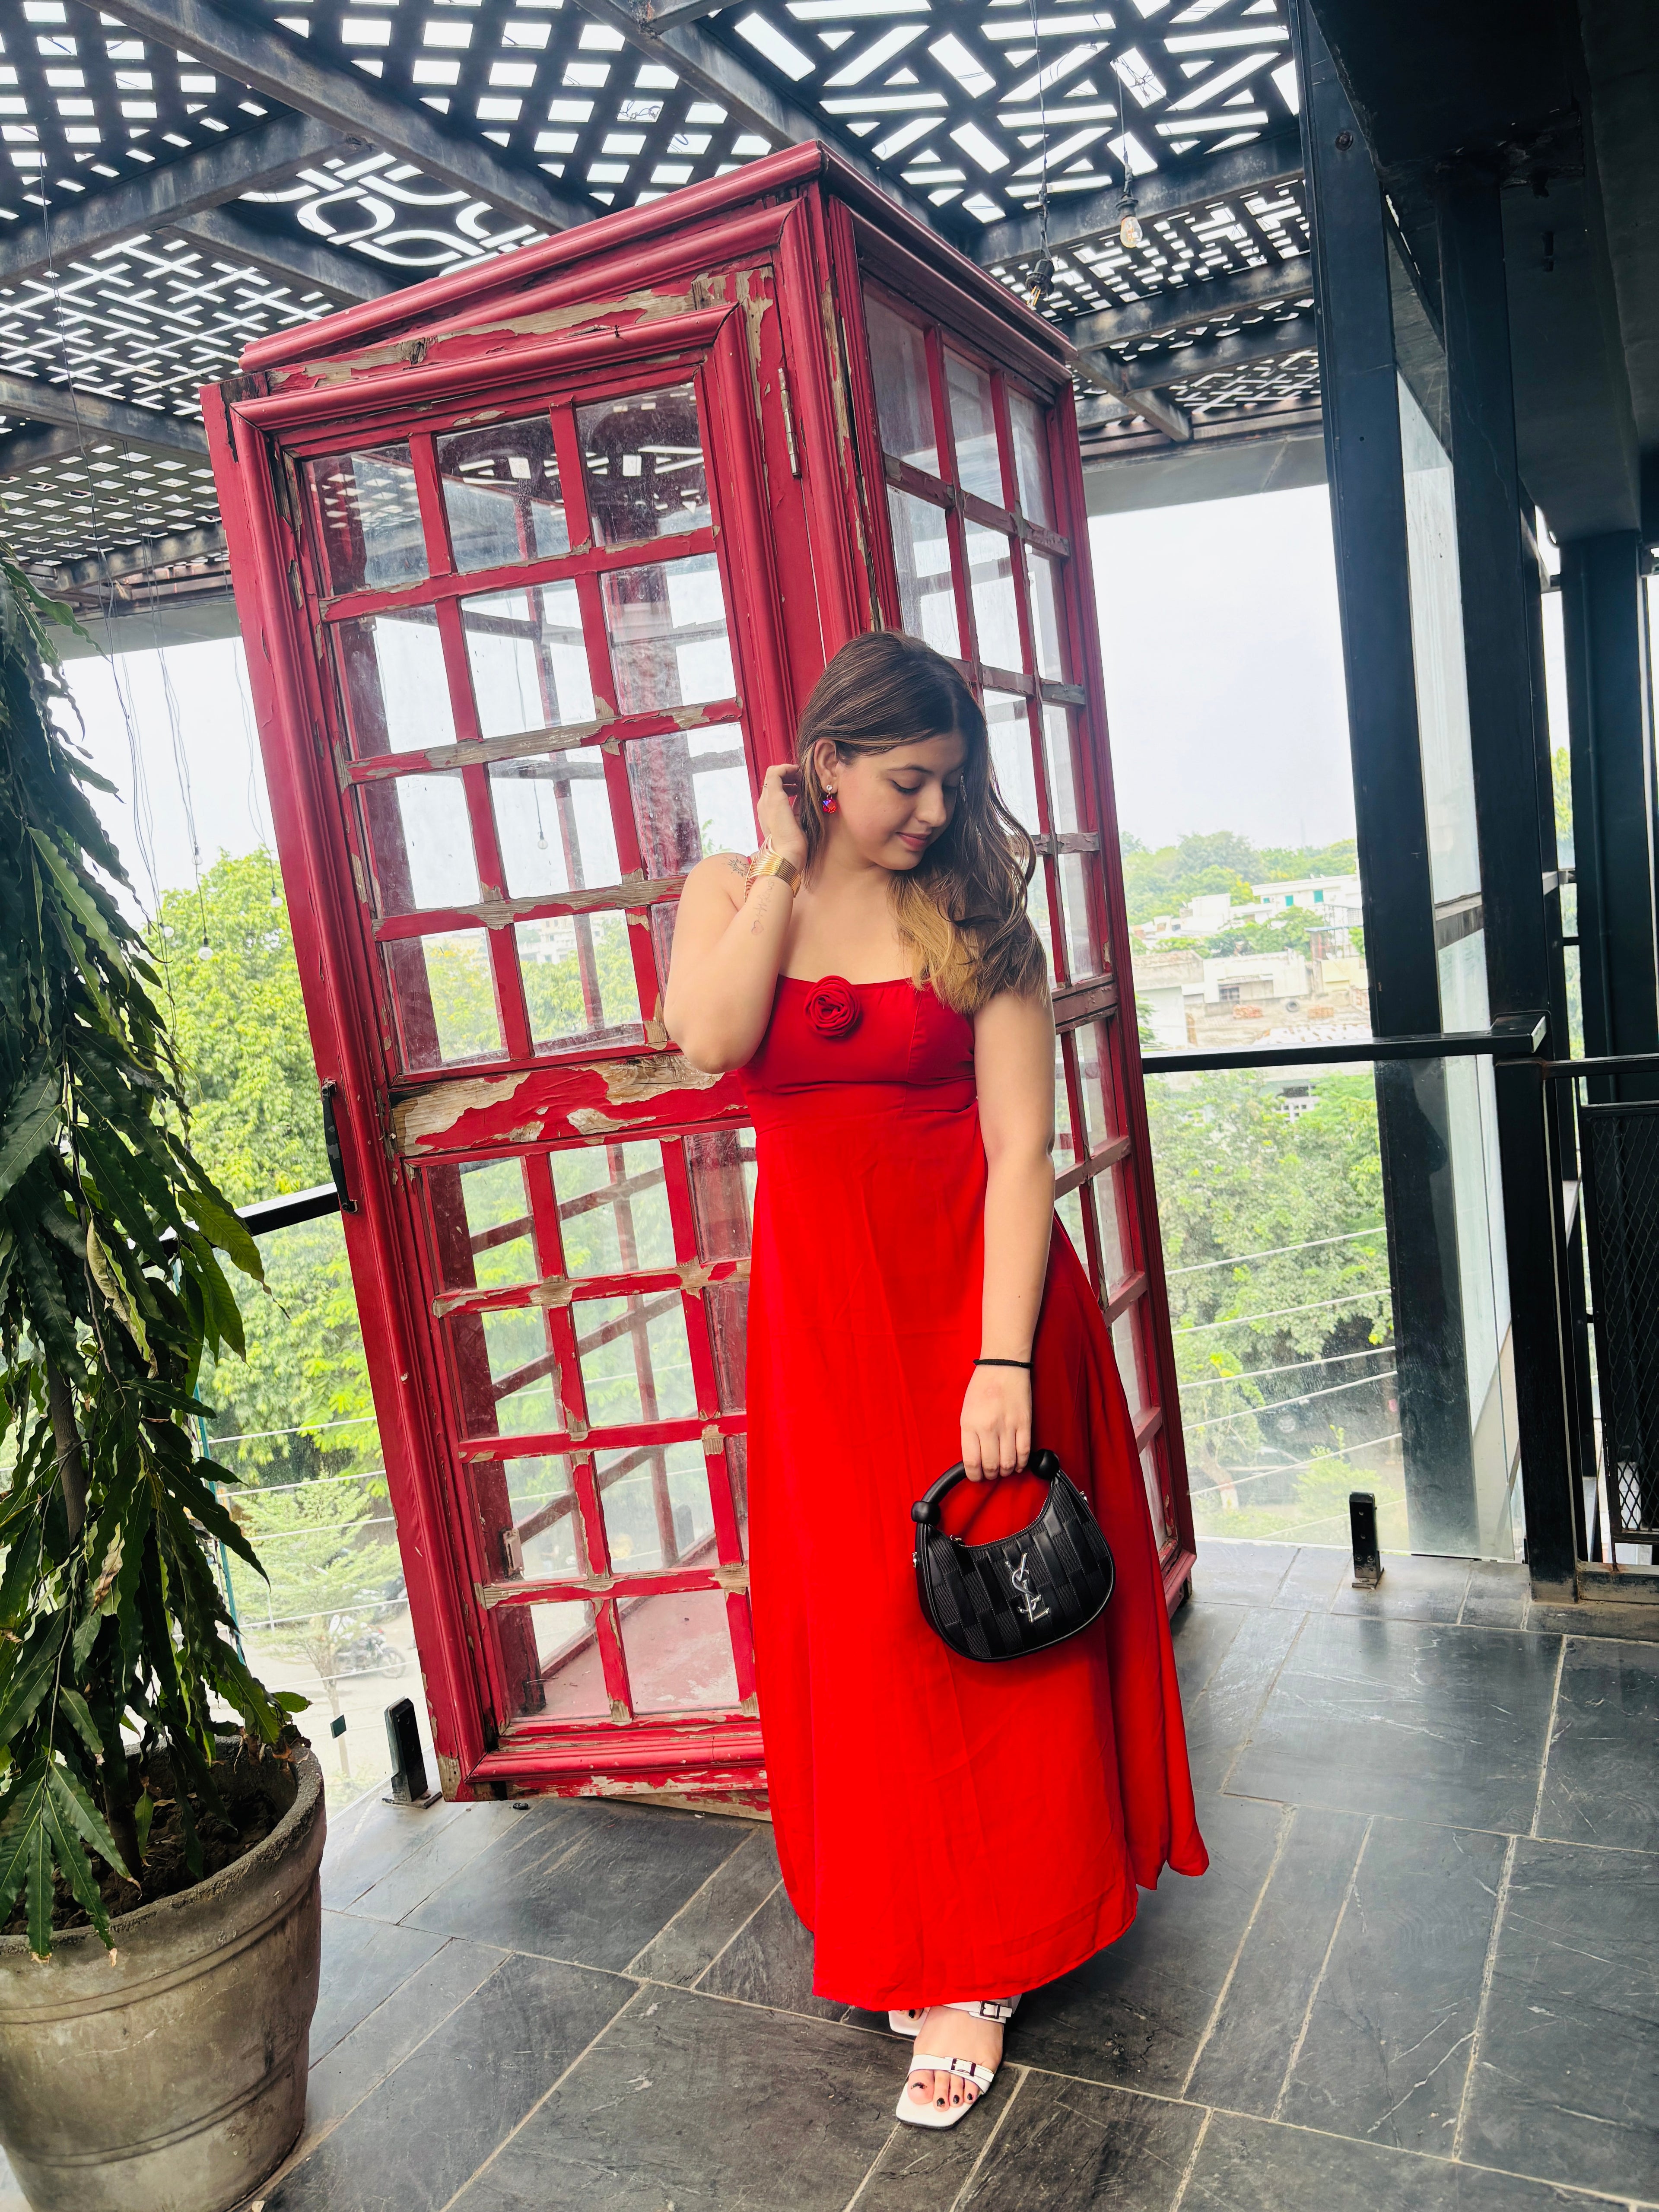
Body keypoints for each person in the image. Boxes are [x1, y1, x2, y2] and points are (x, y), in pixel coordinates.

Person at [662, 631, 1208, 2129]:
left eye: (951, 784)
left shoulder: (974, 912)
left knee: (989, 1628)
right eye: (907, 780)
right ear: (826, 764)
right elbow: (708, 1040)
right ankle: (909, 1908)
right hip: (825, 1331)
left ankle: (982, 1960)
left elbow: (1024, 1151)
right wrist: (782, 867)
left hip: (977, 1307)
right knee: (866, 1631)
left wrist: (1002, 1359)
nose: (933, 810)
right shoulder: (732, 890)